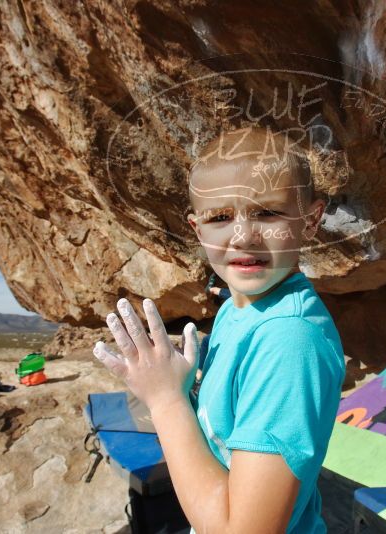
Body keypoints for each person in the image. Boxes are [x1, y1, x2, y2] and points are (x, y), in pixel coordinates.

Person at [93, 125, 345, 533]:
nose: (242, 236)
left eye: (267, 212)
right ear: (198, 230)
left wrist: (165, 401)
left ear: (311, 220)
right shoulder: (238, 309)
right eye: (220, 217)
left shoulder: (288, 342)